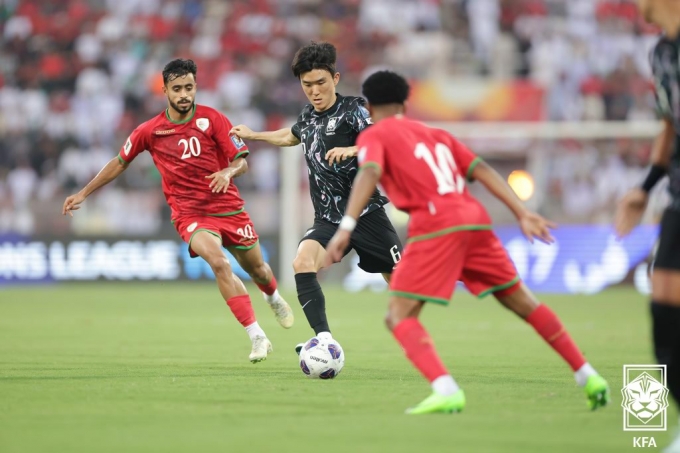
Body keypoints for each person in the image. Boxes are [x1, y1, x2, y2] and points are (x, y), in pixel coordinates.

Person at [325, 70, 610, 414]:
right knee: (523, 302)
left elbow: (369, 171)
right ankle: (587, 374)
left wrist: (346, 226)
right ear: (404, 102)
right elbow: (483, 169)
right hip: (474, 220)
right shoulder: (438, 135)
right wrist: (522, 212)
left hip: (435, 225)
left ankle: (445, 388)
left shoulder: (375, 133)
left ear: (369, 106)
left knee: (398, 316)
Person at [62, 59, 294, 364]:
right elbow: (120, 161)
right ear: (166, 91)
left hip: (229, 209)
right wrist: (83, 192)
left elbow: (242, 160)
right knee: (219, 263)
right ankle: (257, 335)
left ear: (195, 87)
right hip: (190, 215)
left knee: (259, 271)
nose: (184, 94)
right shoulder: (150, 130)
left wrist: (228, 172)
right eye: (177, 89)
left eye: (188, 87)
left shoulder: (213, 120)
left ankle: (272, 297)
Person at [230, 42, 403, 353]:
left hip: (365, 215)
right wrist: (254, 135)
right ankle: (324, 340)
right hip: (327, 218)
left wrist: (351, 149)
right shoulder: (308, 116)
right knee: (302, 262)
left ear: (335, 79)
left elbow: (383, 141)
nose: (314, 91)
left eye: (321, 82)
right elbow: (291, 136)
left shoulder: (354, 110)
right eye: (307, 84)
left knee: (406, 290)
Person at [616, 1, 680, 450]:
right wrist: (647, 186)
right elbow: (669, 124)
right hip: (677, 191)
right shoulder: (661, 52)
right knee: (663, 301)